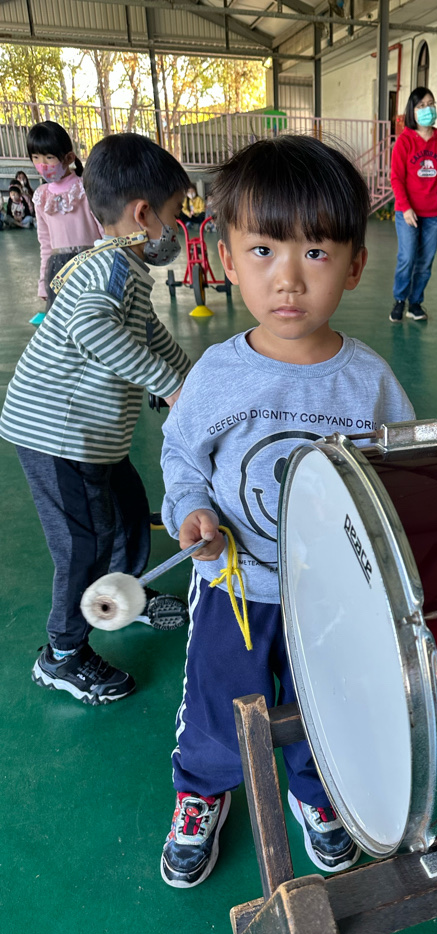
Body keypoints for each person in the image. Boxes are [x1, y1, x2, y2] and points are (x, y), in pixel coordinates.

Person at [159, 134, 415, 888]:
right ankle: (202, 792)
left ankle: (314, 790)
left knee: (325, 702)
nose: (289, 279)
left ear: (355, 265)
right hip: (234, 589)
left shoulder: (369, 382)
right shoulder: (217, 374)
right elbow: (182, 458)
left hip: (333, 595)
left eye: (316, 252)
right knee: (219, 704)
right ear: (227, 260)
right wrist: (192, 510)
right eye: (264, 250)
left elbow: (399, 474)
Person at [0, 133, 193, 707]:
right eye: (175, 213)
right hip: (56, 435)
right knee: (82, 543)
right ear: (144, 214)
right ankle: (62, 654)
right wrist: (168, 386)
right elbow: (89, 327)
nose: (177, 227)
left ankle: (123, 595)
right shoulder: (109, 269)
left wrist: (195, 382)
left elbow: (150, 335)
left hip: (92, 437)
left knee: (128, 511)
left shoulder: (123, 268)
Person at [389, 87, 437, 323]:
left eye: (431, 104)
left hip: (434, 213)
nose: (428, 109)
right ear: (413, 111)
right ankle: (400, 300)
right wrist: (405, 207)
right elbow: (396, 178)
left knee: (425, 262)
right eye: (421, 106)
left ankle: (415, 303)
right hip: (408, 212)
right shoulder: (404, 142)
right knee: (407, 258)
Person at [27, 121, 102, 310]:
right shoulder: (41, 196)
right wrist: (43, 282)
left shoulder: (85, 188)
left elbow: (103, 229)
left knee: (92, 315)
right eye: (36, 157)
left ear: (68, 158)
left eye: (49, 157)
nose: (42, 164)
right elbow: (45, 243)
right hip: (58, 271)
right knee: (63, 320)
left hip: (90, 264)